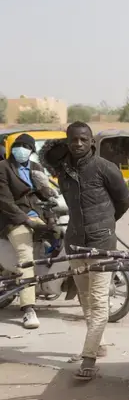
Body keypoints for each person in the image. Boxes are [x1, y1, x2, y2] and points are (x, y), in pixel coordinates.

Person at [47, 122, 129, 381]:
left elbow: (124, 200)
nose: (79, 144)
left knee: (98, 301)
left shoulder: (105, 168)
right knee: (84, 298)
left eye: (84, 139)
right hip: (74, 243)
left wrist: (106, 224)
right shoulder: (64, 173)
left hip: (101, 245)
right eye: (74, 140)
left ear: (92, 142)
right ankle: (99, 343)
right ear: (68, 141)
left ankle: (88, 357)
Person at [0, 134, 53, 329]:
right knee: (26, 256)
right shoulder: (3, 168)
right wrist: (28, 222)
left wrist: (46, 189)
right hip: (13, 219)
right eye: (18, 145)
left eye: (25, 146)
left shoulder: (36, 168)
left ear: (32, 151)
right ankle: (28, 309)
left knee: (64, 239)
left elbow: (46, 195)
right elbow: (5, 202)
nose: (21, 149)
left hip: (37, 215)